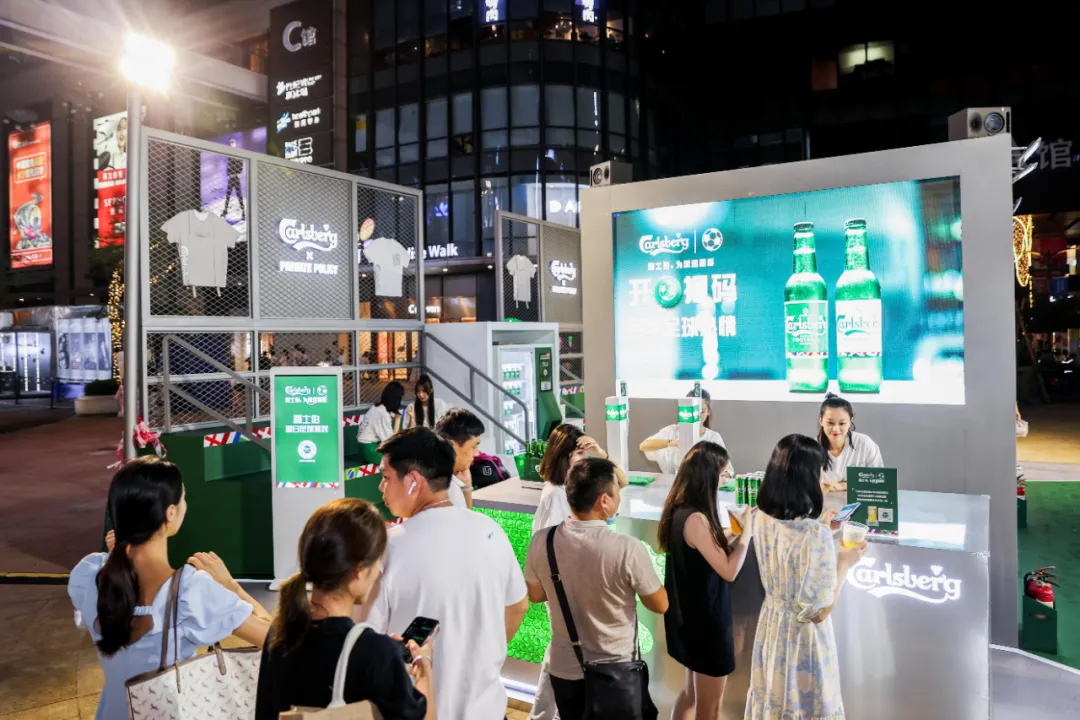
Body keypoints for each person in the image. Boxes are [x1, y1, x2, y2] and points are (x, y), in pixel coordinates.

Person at [69, 457, 272, 720]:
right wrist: (230, 586)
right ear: (171, 512)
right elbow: (275, 639)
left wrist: (115, 554)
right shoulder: (190, 590)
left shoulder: (90, 574)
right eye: (184, 497)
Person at [360, 428, 529, 720]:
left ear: (413, 481)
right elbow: (518, 606)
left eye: (386, 477)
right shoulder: (491, 531)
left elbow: (369, 643)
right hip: (487, 710)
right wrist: (479, 659)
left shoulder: (387, 547)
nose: (380, 487)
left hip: (419, 711)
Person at [255, 498, 434, 720]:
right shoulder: (377, 654)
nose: (378, 574)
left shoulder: (281, 631)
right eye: (376, 562)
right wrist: (423, 666)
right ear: (358, 572)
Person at [524, 458, 669, 720]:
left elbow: (535, 595)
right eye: (617, 492)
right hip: (616, 672)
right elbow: (660, 604)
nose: (619, 498)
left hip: (564, 670)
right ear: (604, 501)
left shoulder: (542, 540)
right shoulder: (627, 548)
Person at [745, 434, 868, 720]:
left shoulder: (762, 516)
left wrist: (822, 528)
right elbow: (818, 612)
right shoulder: (814, 537)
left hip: (772, 629)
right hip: (803, 640)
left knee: (773, 701)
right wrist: (844, 562)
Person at [528, 424, 625, 720]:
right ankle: (544, 714)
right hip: (566, 585)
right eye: (579, 453)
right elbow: (549, 543)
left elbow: (621, 480)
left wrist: (601, 453)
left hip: (576, 583)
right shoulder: (555, 494)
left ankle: (549, 713)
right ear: (564, 456)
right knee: (562, 650)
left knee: (564, 650)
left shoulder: (576, 487)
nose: (585, 458)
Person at [659, 443, 754, 720]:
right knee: (709, 708)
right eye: (723, 474)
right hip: (706, 624)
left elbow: (706, 546)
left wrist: (735, 531)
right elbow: (729, 571)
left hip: (690, 620)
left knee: (690, 694)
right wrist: (747, 535)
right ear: (708, 476)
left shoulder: (681, 510)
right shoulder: (697, 518)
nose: (725, 480)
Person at [639, 389, 733, 476]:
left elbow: (728, 471)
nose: (697, 417)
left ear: (708, 411)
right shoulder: (672, 431)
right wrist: (671, 442)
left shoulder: (713, 437)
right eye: (693, 412)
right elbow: (644, 446)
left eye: (702, 412)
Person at [817, 393, 883, 492]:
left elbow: (879, 481)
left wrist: (845, 485)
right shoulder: (811, 450)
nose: (836, 429)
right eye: (830, 423)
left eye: (842, 423)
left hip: (859, 501)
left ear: (850, 422)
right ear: (821, 420)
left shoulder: (865, 444)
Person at [435, 407, 485, 510]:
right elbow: (466, 520)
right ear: (451, 446)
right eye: (473, 447)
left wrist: (466, 487)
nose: (477, 454)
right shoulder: (449, 490)